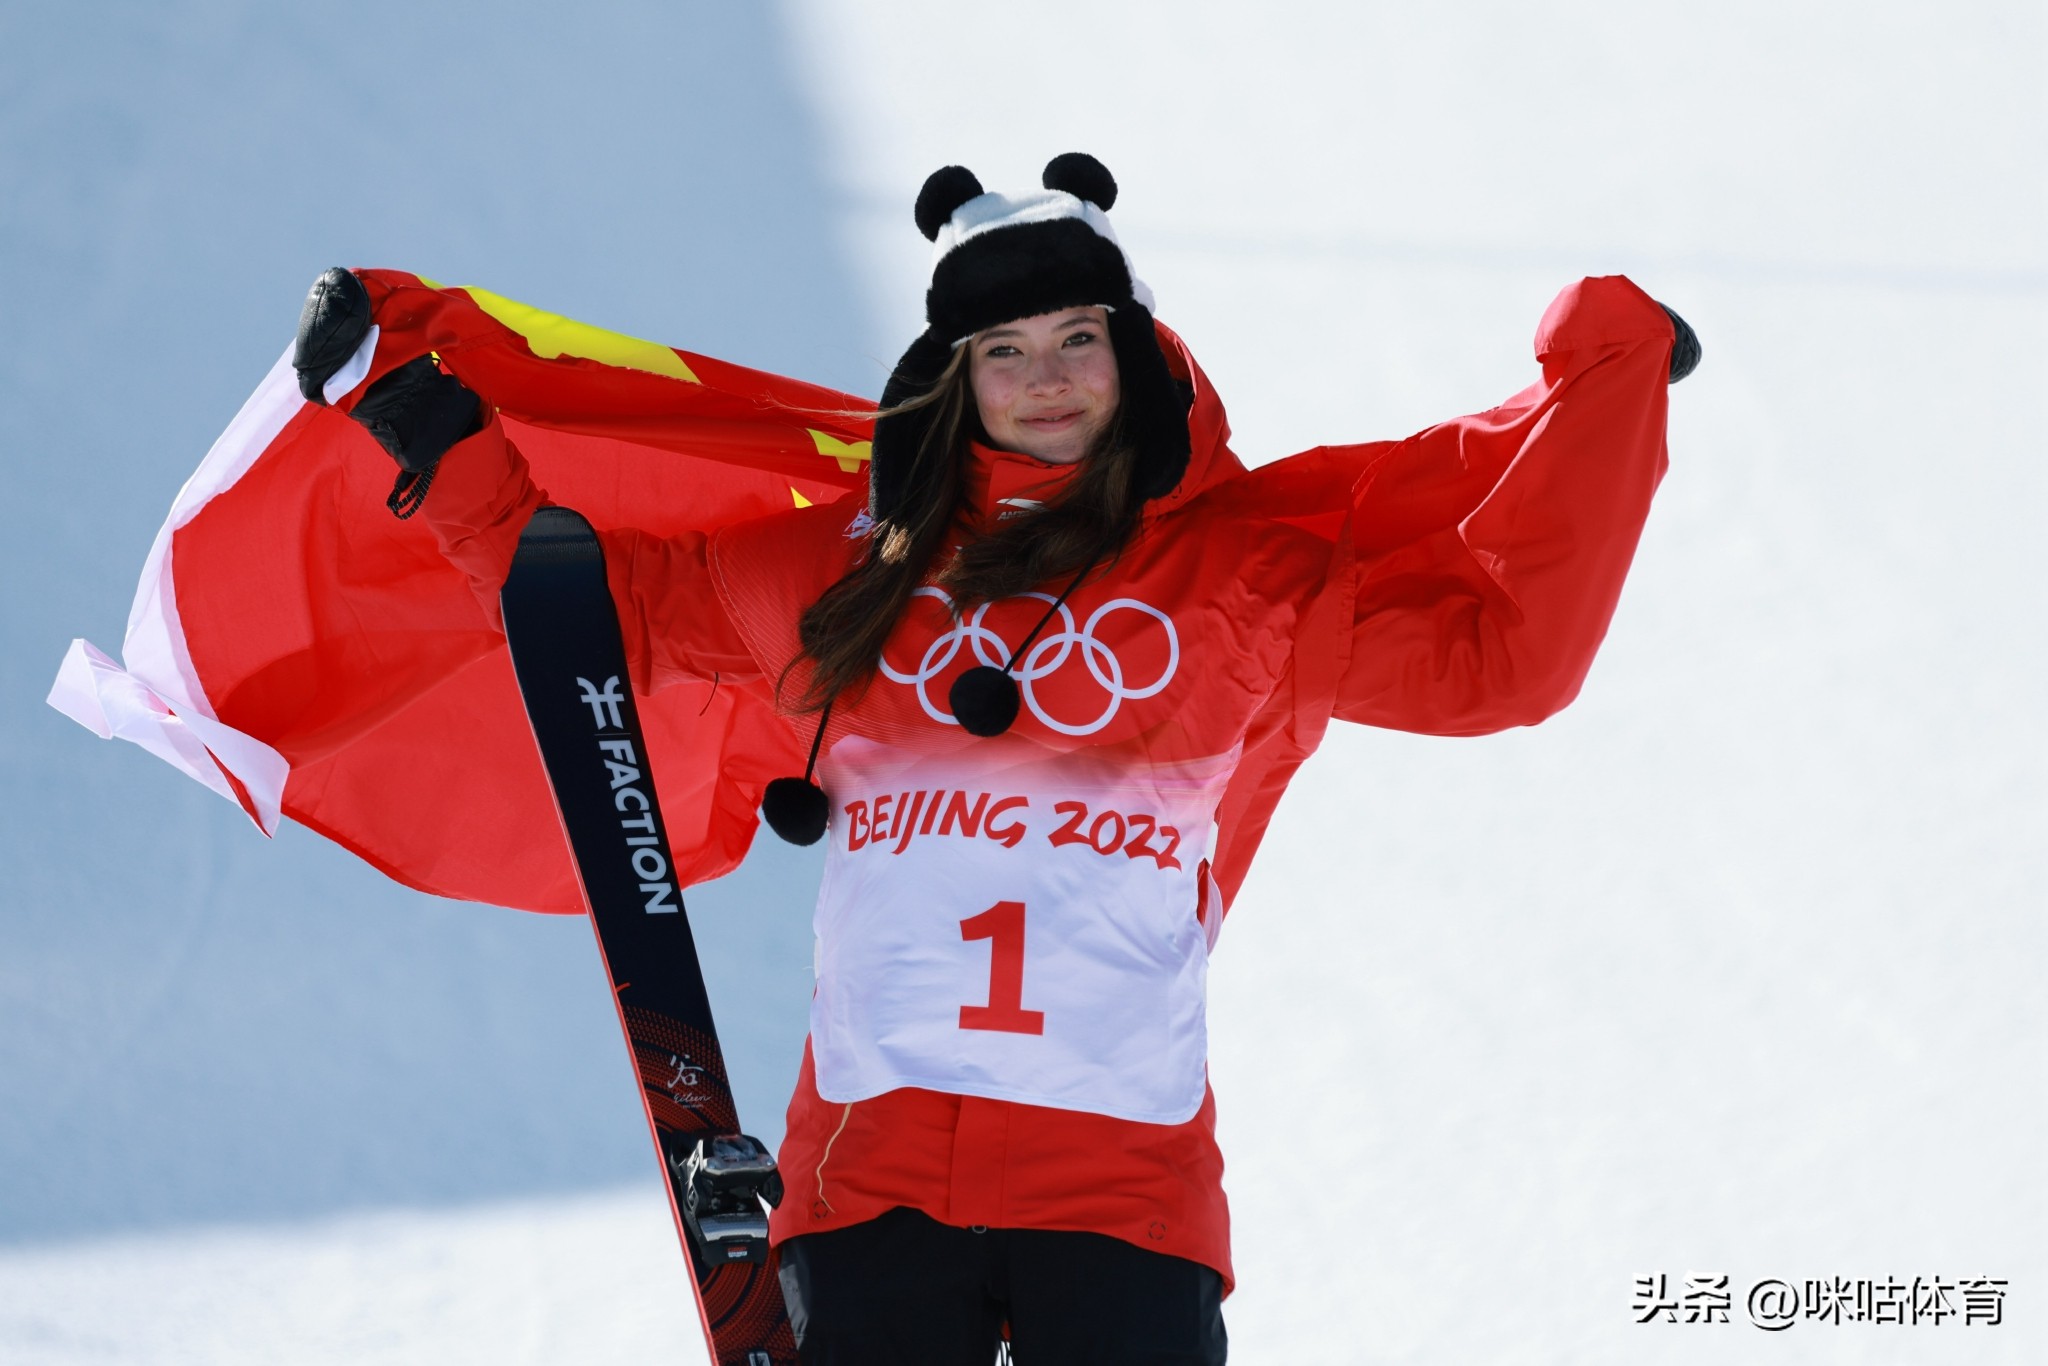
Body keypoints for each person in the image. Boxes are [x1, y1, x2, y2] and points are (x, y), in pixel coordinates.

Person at [293, 152, 1697, 1365]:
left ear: (1133, 349)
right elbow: (600, 617)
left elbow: (1502, 661)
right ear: (953, 377)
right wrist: (431, 431)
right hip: (872, 1180)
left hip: (1126, 1189)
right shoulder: (849, 574)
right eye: (1004, 351)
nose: (1046, 380)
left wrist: (1613, 382)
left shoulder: (1243, 581)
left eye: (1077, 338)